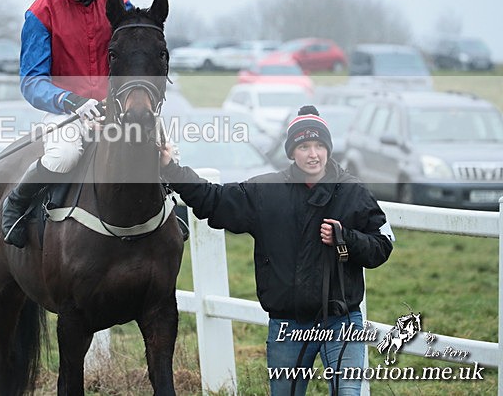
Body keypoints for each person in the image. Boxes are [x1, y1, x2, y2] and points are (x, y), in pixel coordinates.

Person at [159, 105, 393, 395]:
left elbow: (383, 245)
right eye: (304, 146)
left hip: (341, 321)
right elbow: (213, 199)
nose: (313, 154)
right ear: (292, 152)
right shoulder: (266, 191)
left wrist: (346, 239)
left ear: (328, 149)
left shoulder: (353, 192)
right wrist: (171, 168)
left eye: (319, 145)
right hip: (288, 324)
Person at [1, 0, 128, 248]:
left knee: (162, 148)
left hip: (114, 111)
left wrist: (120, 8)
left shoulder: (118, 5)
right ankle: (16, 203)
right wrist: (72, 102)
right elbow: (32, 82)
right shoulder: (41, 11)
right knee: (64, 156)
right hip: (66, 113)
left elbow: (138, 48)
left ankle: (171, 214)